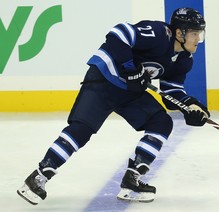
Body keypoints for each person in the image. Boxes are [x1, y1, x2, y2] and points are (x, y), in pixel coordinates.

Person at [17, 7, 209, 204]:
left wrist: (188, 106)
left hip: (129, 92)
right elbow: (118, 34)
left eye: (199, 33)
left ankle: (132, 180)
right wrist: (130, 68)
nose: (199, 39)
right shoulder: (159, 34)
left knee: (161, 122)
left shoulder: (184, 60)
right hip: (104, 79)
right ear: (179, 33)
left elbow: (171, 92)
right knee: (82, 129)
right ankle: (37, 178)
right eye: (195, 33)